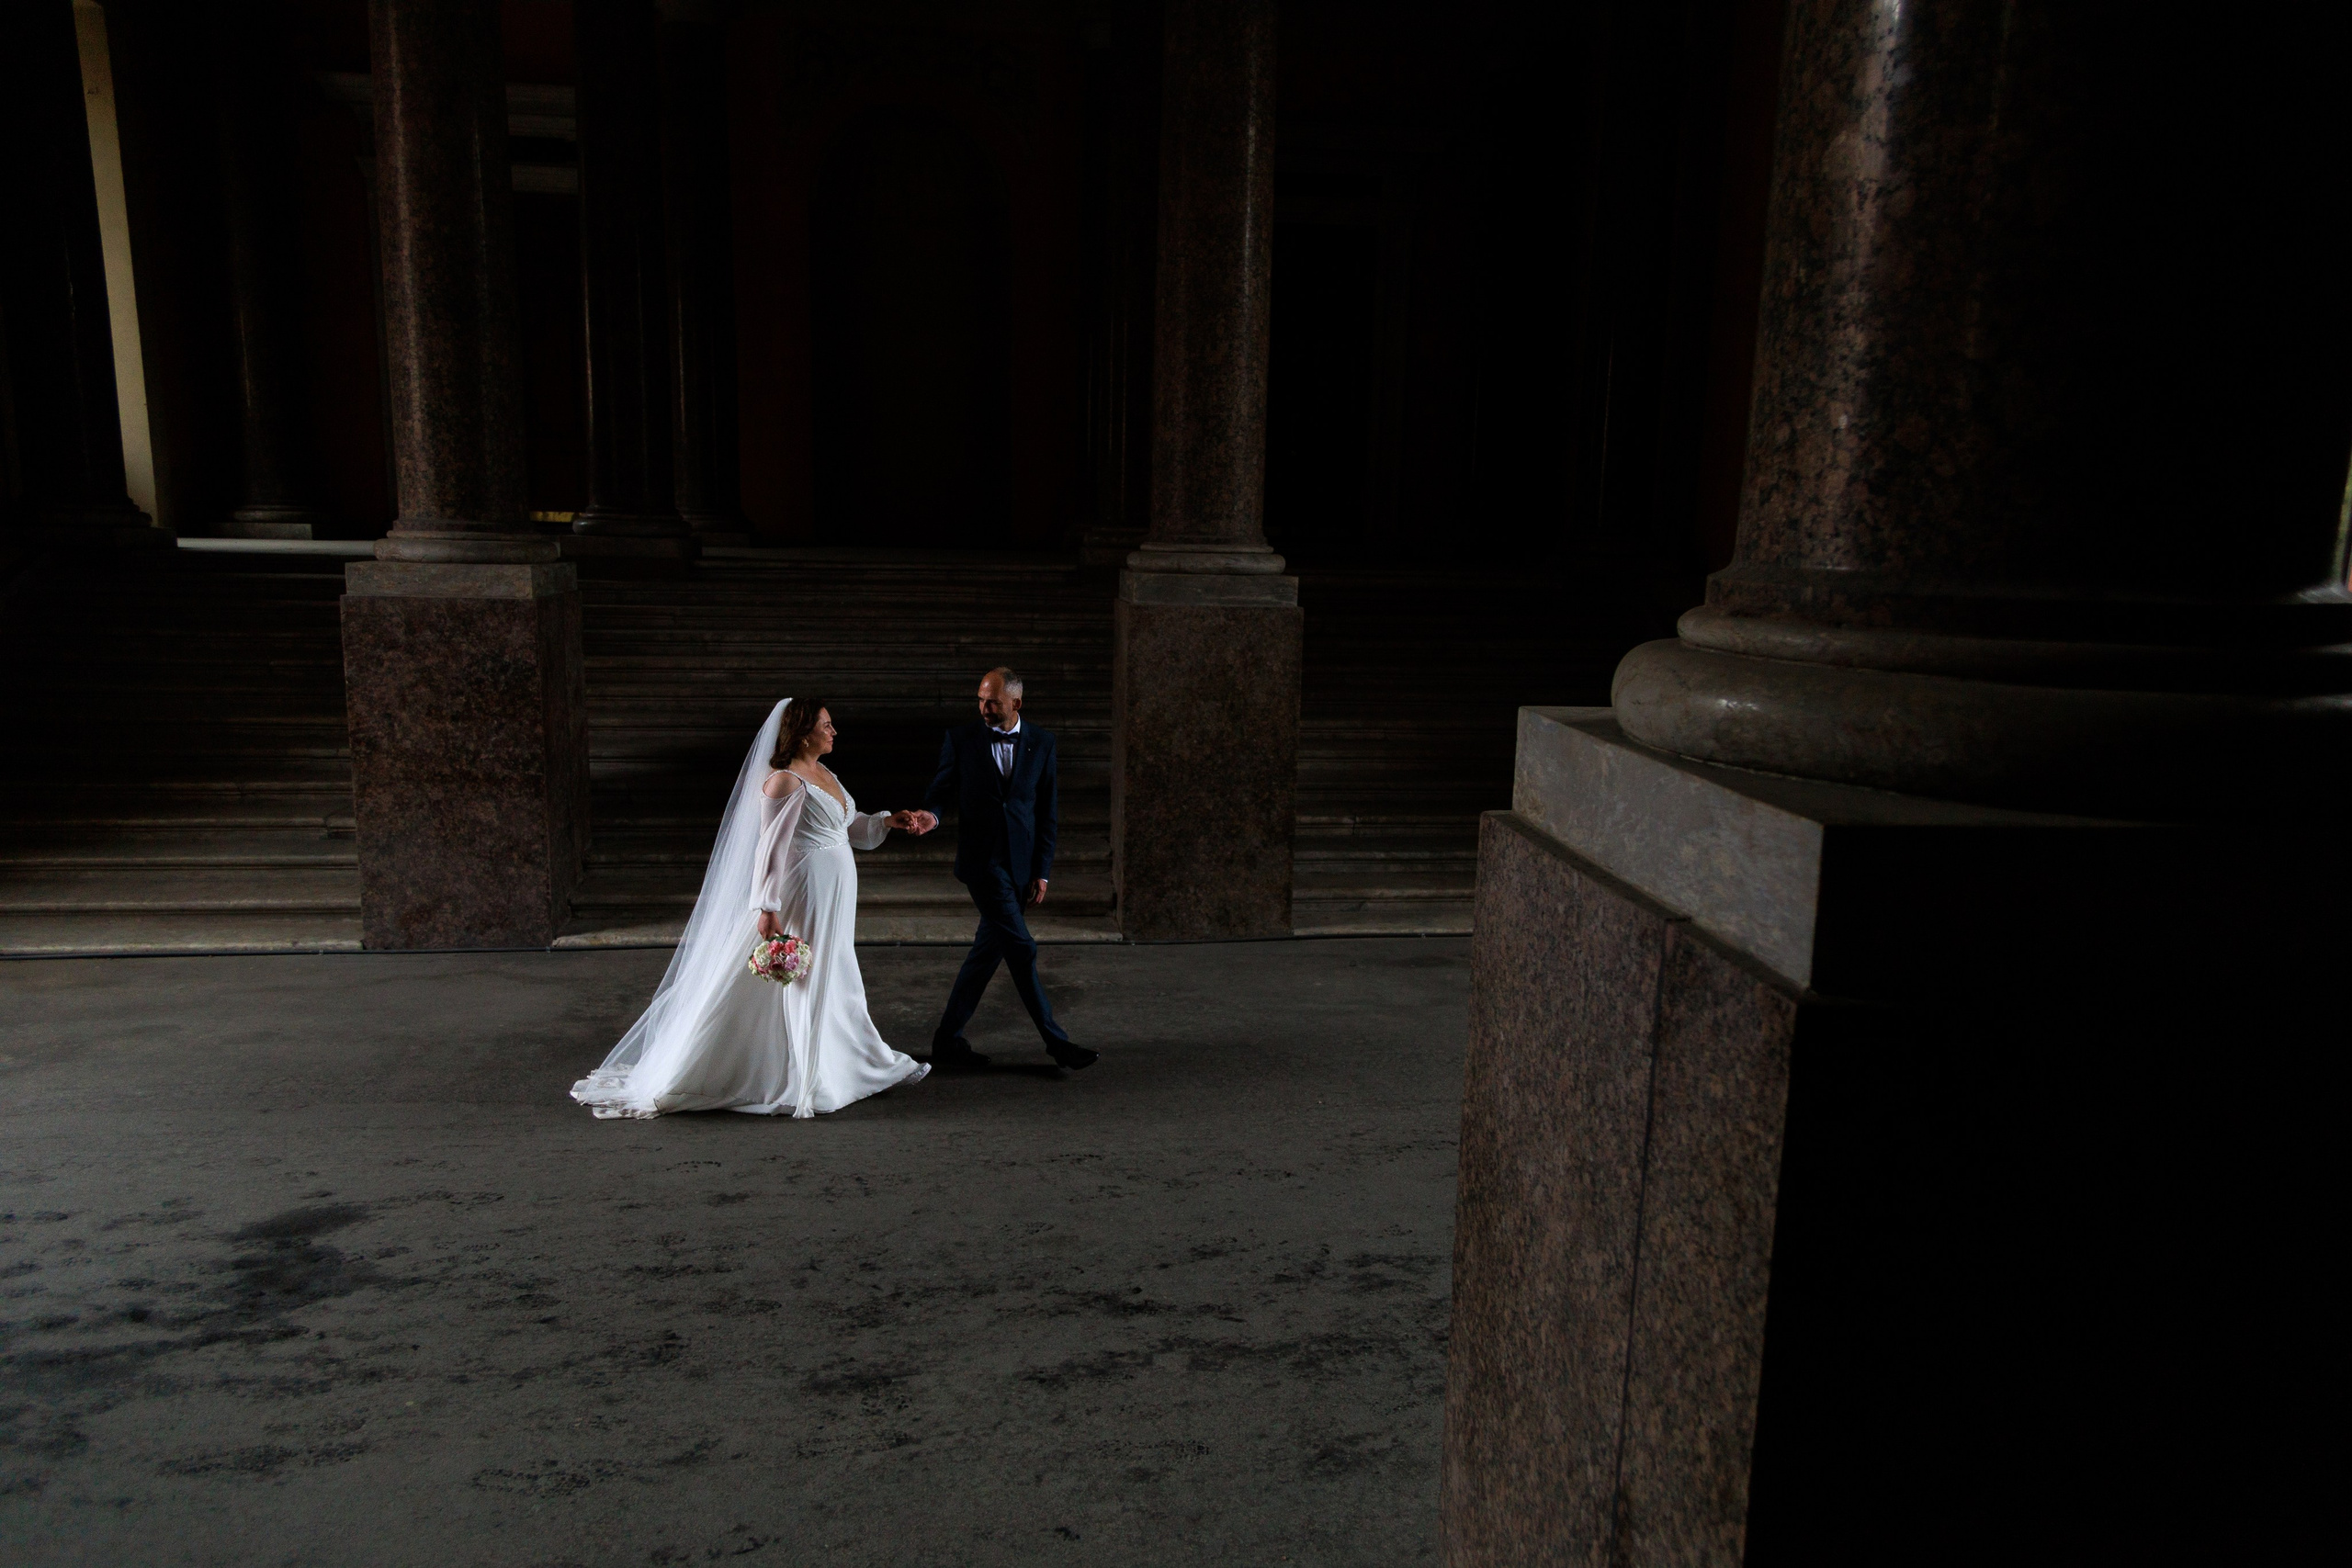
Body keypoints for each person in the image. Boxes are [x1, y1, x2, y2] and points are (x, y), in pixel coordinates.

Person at [571, 699, 933, 1119]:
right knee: (807, 975)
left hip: (835, 889)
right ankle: (809, 1075)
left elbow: (846, 827)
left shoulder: (825, 774)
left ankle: (846, 1059)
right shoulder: (784, 781)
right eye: (827, 725)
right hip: (807, 890)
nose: (834, 732)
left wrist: (887, 822)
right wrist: (767, 906)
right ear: (801, 733)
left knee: (836, 969)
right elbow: (769, 848)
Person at [908, 668, 1096, 1071]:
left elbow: (1047, 813)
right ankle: (1056, 1042)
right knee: (1023, 949)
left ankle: (947, 1042)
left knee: (984, 958)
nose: (983, 708)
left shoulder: (1043, 743)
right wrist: (931, 817)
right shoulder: (961, 740)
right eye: (980, 700)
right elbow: (939, 795)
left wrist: (1041, 872)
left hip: (1022, 870)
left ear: (1017, 703)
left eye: (992, 702)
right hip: (983, 866)